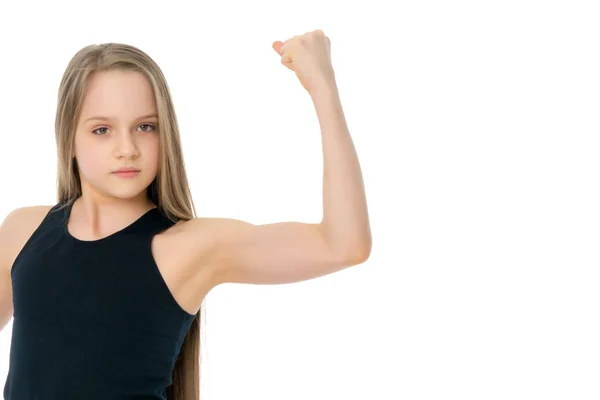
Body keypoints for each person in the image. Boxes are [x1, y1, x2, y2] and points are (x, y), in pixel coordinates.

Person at [0, 29, 371, 399]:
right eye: (102, 130)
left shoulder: (189, 247)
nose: (126, 148)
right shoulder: (22, 231)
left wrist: (323, 88)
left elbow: (344, 245)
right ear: (70, 141)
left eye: (145, 127)